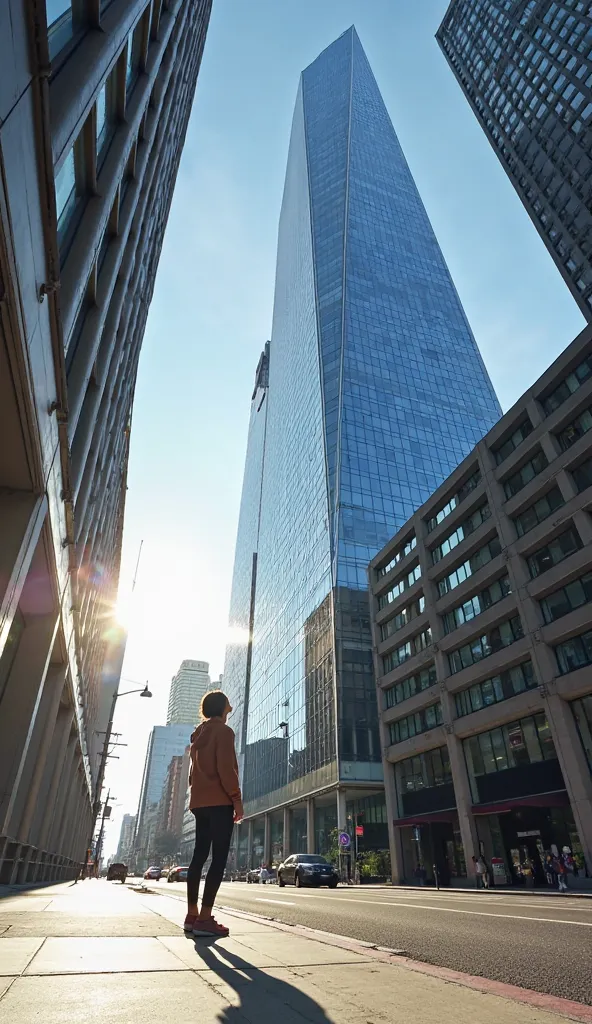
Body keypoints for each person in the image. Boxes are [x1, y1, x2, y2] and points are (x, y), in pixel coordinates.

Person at [185, 690, 244, 937]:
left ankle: (192, 914)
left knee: (198, 857)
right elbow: (226, 769)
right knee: (218, 858)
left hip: (199, 803)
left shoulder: (198, 734)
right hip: (220, 801)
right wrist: (237, 800)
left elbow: (191, 775)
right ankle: (206, 918)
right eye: (228, 707)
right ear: (221, 708)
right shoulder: (224, 732)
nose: (230, 710)